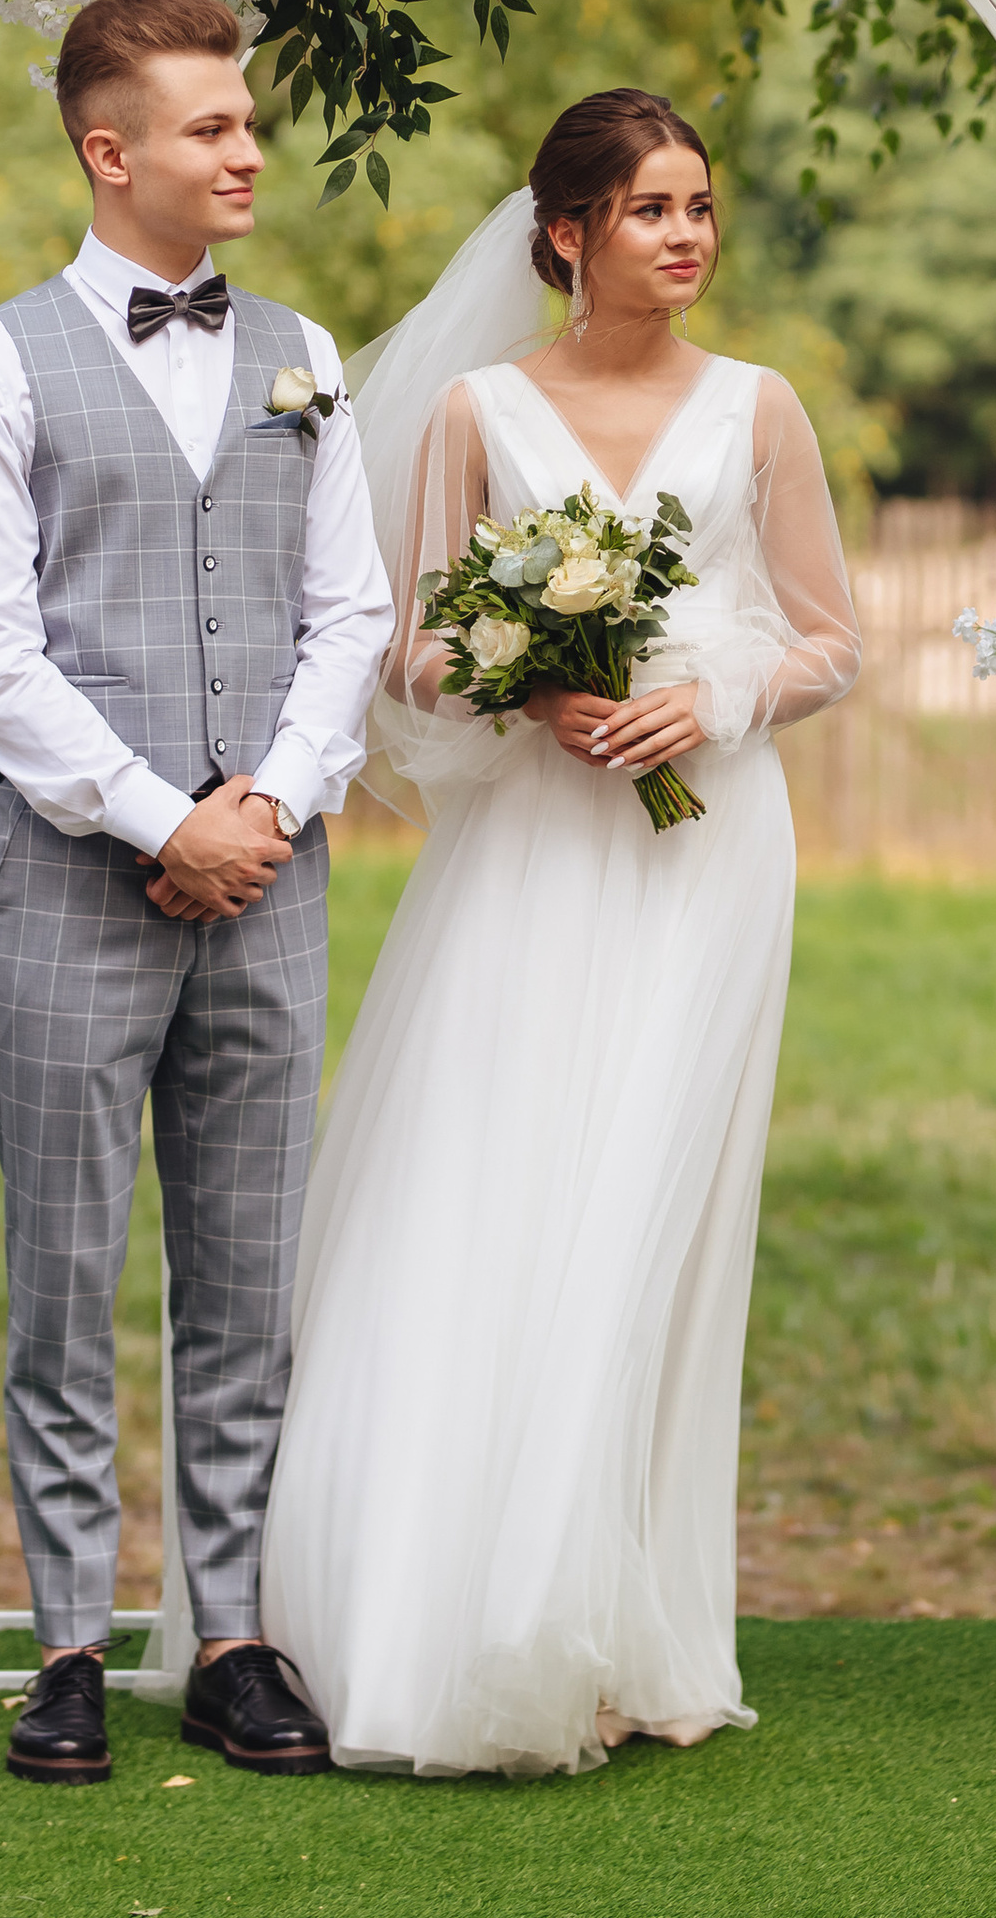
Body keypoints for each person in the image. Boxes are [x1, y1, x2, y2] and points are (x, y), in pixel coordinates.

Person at [258, 90, 861, 1774]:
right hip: (528, 844)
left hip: (704, 853)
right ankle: (447, 1612)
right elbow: (410, 654)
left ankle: (612, 1620)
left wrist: (714, 692)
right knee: (494, 1184)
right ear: (568, 233)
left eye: (702, 206)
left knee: (644, 1208)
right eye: (652, 209)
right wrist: (536, 675)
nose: (687, 236)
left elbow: (832, 640)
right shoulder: (472, 408)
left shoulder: (760, 411)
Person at [0, 0, 393, 1787]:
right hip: (66, 884)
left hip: (272, 876)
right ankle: (63, 1643)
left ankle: (234, 1632)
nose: (250, 148)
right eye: (211, 127)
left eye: (248, 118)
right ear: (111, 152)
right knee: (63, 1270)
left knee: (245, 1277)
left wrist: (265, 801)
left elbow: (349, 611)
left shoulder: (306, 350)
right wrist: (153, 818)